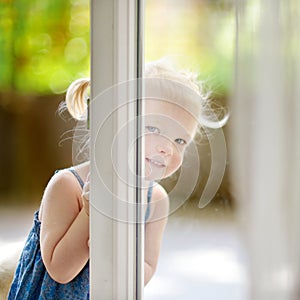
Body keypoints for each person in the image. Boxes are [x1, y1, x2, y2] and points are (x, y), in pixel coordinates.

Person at [7, 59, 225, 299]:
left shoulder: (156, 200)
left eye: (180, 140)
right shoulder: (67, 186)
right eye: (154, 129)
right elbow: (61, 271)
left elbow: (148, 267)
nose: (167, 149)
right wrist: (91, 214)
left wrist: (122, 259)